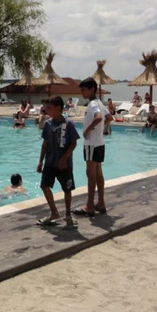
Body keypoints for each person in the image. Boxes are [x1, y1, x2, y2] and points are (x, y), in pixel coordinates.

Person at [36, 96, 79, 227]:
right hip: (50, 162)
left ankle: (67, 214)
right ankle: (54, 212)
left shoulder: (69, 124)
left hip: (64, 164)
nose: (46, 110)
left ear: (58, 108)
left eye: (49, 108)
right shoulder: (48, 124)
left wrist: (65, 157)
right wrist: (40, 161)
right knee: (44, 186)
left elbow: (73, 143)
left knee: (67, 189)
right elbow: (45, 143)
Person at [74, 78, 113, 217]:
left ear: (92, 89)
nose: (82, 93)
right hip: (100, 143)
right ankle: (100, 203)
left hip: (91, 144)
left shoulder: (92, 104)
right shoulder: (100, 104)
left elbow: (98, 118)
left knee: (90, 174)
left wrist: (87, 130)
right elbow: (109, 118)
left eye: (84, 90)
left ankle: (90, 205)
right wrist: (100, 131)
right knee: (98, 173)